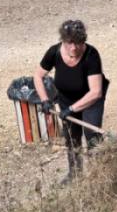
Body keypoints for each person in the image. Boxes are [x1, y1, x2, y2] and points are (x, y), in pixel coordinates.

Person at [34, 20, 108, 178]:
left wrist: (71, 110)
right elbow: (38, 76)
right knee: (71, 137)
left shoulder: (91, 55)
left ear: (83, 41)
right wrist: (45, 100)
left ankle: (100, 174)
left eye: (78, 43)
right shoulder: (54, 52)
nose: (74, 48)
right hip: (66, 99)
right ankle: (75, 174)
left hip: (90, 101)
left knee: (92, 134)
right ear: (63, 40)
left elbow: (96, 92)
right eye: (69, 43)